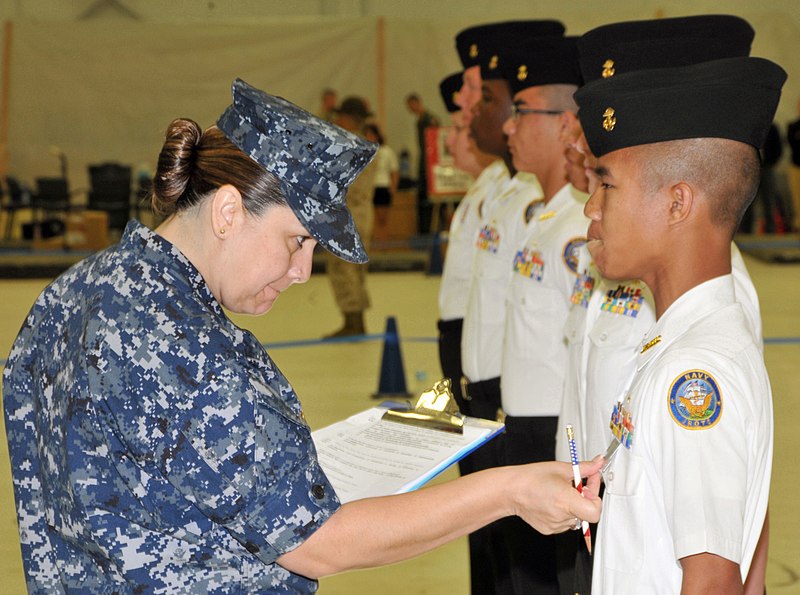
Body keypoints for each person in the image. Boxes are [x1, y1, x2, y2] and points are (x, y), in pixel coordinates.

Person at [3, 78, 603, 593]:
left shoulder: (78, 290)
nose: (302, 272)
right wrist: (510, 489)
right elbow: (317, 542)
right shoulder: (188, 347)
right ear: (229, 211)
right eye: (297, 241)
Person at [558, 16, 771, 594]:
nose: (590, 209)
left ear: (678, 204)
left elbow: (711, 581)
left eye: (608, 186)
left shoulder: (696, 376)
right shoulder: (673, 345)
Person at [495, 36, 589, 595]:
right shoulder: (545, 216)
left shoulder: (580, 228)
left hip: (558, 435)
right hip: (525, 429)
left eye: (521, 113)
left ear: (563, 124)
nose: (508, 127)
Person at [436, 70, 498, 418]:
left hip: (475, 335)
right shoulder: (482, 189)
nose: (452, 141)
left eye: (460, 129)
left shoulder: (502, 192)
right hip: (462, 331)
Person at [324, 95, 377, 337]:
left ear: (349, 118)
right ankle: (354, 320)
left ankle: (353, 321)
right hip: (360, 212)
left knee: (343, 268)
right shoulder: (364, 143)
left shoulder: (351, 146)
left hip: (349, 213)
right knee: (352, 269)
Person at [405, 92, 440, 235]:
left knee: (428, 197)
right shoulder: (419, 120)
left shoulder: (428, 119)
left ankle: (429, 229)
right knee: (422, 197)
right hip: (423, 160)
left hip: (430, 161)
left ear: (417, 103)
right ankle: (423, 229)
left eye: (411, 105)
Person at [363, 122, 399, 245]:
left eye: (371, 134)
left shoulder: (386, 151)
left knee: (382, 217)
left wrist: (393, 187)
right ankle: (374, 242)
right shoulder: (364, 151)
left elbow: (394, 170)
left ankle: (384, 241)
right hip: (369, 188)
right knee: (370, 216)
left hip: (383, 185)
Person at [787, 97, 800, 232]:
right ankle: (797, 224)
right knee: (796, 197)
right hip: (796, 166)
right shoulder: (793, 126)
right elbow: (793, 143)